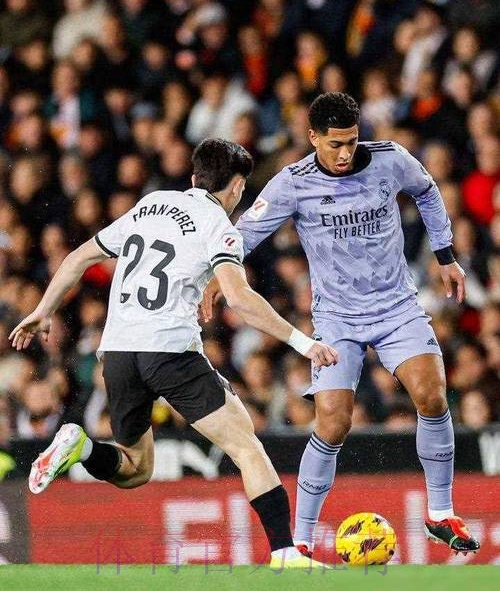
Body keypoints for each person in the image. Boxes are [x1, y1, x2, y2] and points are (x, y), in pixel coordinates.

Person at [9, 138, 338, 569]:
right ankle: (284, 552)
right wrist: (304, 342)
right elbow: (240, 298)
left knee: (134, 469)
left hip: (119, 352)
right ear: (237, 186)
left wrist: (43, 310)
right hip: (169, 351)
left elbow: (77, 257)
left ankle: (83, 447)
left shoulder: (151, 204)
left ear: (194, 177)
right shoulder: (218, 225)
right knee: (246, 446)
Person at [202, 93, 480, 555]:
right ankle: (302, 542)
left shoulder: (391, 159)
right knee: (332, 423)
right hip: (337, 318)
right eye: (335, 144)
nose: (346, 153)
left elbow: (428, 190)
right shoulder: (293, 182)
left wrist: (445, 253)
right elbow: (245, 232)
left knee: (432, 395)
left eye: (352, 141)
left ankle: (440, 512)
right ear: (312, 137)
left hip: (396, 307)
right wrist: (220, 274)